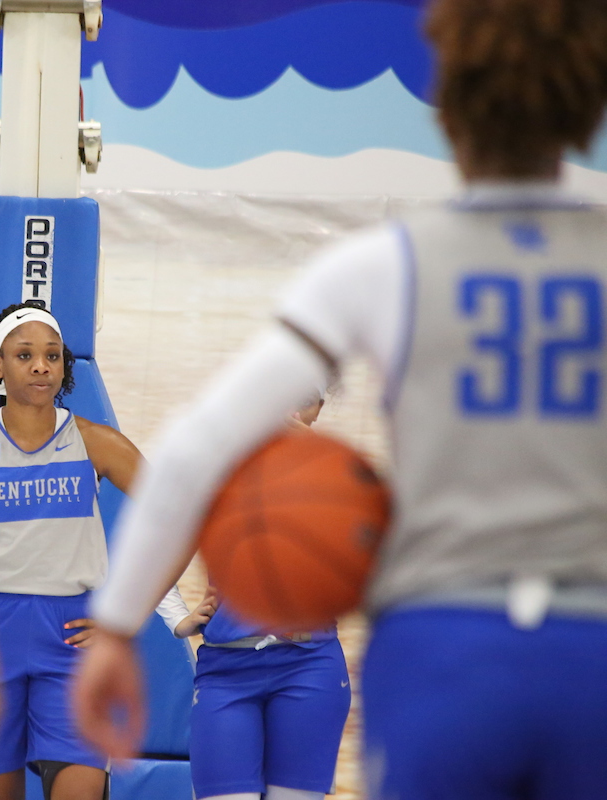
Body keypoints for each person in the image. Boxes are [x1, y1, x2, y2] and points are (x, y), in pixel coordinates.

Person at [73, 1, 607, 797]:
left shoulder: (384, 266)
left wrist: (117, 624)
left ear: (451, 110)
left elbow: (193, 449)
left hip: (445, 640)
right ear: (590, 107)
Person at [0, 301, 201, 800]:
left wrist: (132, 614)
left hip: (73, 640)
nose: (40, 366)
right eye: (25, 354)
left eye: (52, 356)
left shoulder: (97, 444)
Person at [179, 395, 350, 800]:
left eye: (310, 401)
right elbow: (154, 547)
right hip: (226, 670)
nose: (293, 411)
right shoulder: (216, 471)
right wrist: (175, 617)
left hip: (310, 664)